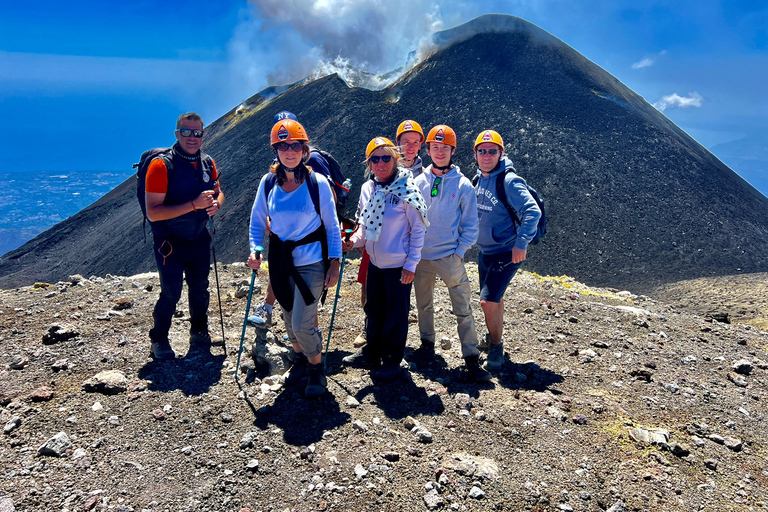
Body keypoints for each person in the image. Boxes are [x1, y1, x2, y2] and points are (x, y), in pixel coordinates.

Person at [247, 119, 342, 397]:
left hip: (311, 261)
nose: (290, 151)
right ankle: (301, 360)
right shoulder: (268, 184)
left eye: (296, 146)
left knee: (302, 323)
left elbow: (331, 225)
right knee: (289, 320)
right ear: (276, 150)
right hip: (280, 260)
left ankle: (316, 368)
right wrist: (255, 249)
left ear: (304, 150)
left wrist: (334, 261)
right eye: (283, 146)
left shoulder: (318, 183)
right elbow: (256, 221)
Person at [409, 125, 491, 382]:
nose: (440, 152)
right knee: (424, 305)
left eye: (445, 147)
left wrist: (459, 252)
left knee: (462, 308)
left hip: (449, 257)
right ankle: (426, 346)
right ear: (429, 149)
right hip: (422, 256)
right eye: (435, 147)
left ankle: (471, 357)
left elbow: (470, 224)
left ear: (452, 150)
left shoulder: (463, 184)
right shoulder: (418, 181)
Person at [342, 137, 428, 381]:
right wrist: (353, 241)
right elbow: (364, 225)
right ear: (369, 163)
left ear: (395, 158)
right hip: (375, 263)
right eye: (374, 159)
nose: (380, 163)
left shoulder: (407, 188)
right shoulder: (367, 188)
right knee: (374, 308)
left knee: (396, 313)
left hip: (398, 265)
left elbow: (418, 229)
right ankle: (372, 351)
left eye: (385, 157)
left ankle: (392, 359)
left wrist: (411, 265)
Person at [145, 112, 224, 360]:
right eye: (187, 132)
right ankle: (159, 339)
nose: (192, 137)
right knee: (171, 291)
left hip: (199, 236)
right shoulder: (161, 165)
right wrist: (194, 205)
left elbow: (219, 193)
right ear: (177, 133)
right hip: (170, 240)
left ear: (203, 134)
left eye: (197, 132)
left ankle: (199, 332)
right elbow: (153, 213)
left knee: (200, 288)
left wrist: (216, 205)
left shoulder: (207, 162)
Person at [473, 130, 541, 372]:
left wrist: (521, 244)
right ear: (476, 154)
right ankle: (493, 339)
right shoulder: (478, 178)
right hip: (486, 251)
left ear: (501, 153)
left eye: (492, 151)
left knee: (487, 300)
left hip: (506, 251)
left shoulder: (509, 181)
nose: (487, 155)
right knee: (494, 299)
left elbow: (533, 212)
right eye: (482, 150)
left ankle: (496, 347)